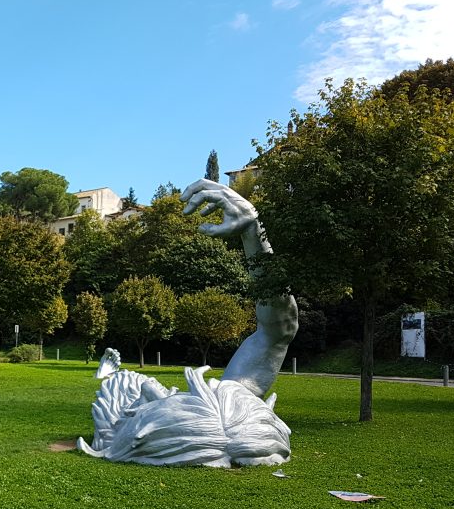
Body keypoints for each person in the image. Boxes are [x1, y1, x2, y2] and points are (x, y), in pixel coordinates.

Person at [77, 178, 299, 468]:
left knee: (121, 383)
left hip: (129, 421)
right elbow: (278, 331)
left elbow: (278, 330)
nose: (156, 388)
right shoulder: (231, 409)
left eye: (157, 402)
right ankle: (112, 375)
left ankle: (109, 374)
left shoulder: (122, 419)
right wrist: (253, 234)